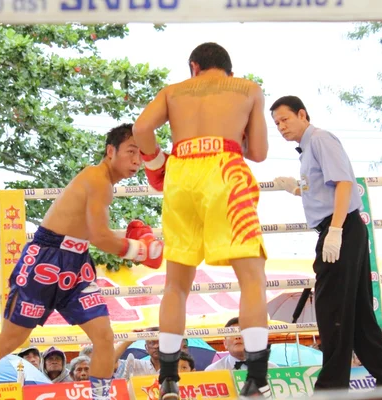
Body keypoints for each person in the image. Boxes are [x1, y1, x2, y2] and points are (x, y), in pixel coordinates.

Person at [0, 123, 164, 400]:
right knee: (12, 339)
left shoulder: (104, 184)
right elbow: (101, 237)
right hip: (45, 261)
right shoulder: (97, 181)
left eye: (141, 154)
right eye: (131, 151)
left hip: (77, 265)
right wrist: (141, 250)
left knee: (104, 336)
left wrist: (139, 249)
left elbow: (93, 238)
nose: (136, 160)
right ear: (111, 151)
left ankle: (100, 397)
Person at [132, 42, 270, 399]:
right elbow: (258, 153)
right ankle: (256, 378)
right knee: (252, 279)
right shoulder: (248, 89)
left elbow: (142, 128)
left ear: (194, 66)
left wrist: (157, 163)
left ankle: (167, 378)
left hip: (180, 175)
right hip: (225, 170)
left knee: (176, 285)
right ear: (229, 69)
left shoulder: (173, 91)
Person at [271, 95, 382, 390]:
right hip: (340, 228)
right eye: (276, 123)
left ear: (302, 114)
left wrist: (336, 231)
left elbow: (344, 183)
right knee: (359, 320)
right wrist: (293, 188)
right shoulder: (307, 150)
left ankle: (330, 390)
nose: (280, 127)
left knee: (332, 312)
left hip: (340, 229)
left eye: (284, 119)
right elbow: (322, 190)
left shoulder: (319, 139)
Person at [205, 317, 278, 372]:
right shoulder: (213, 371)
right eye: (232, 333)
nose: (238, 337)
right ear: (225, 343)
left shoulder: (272, 369)